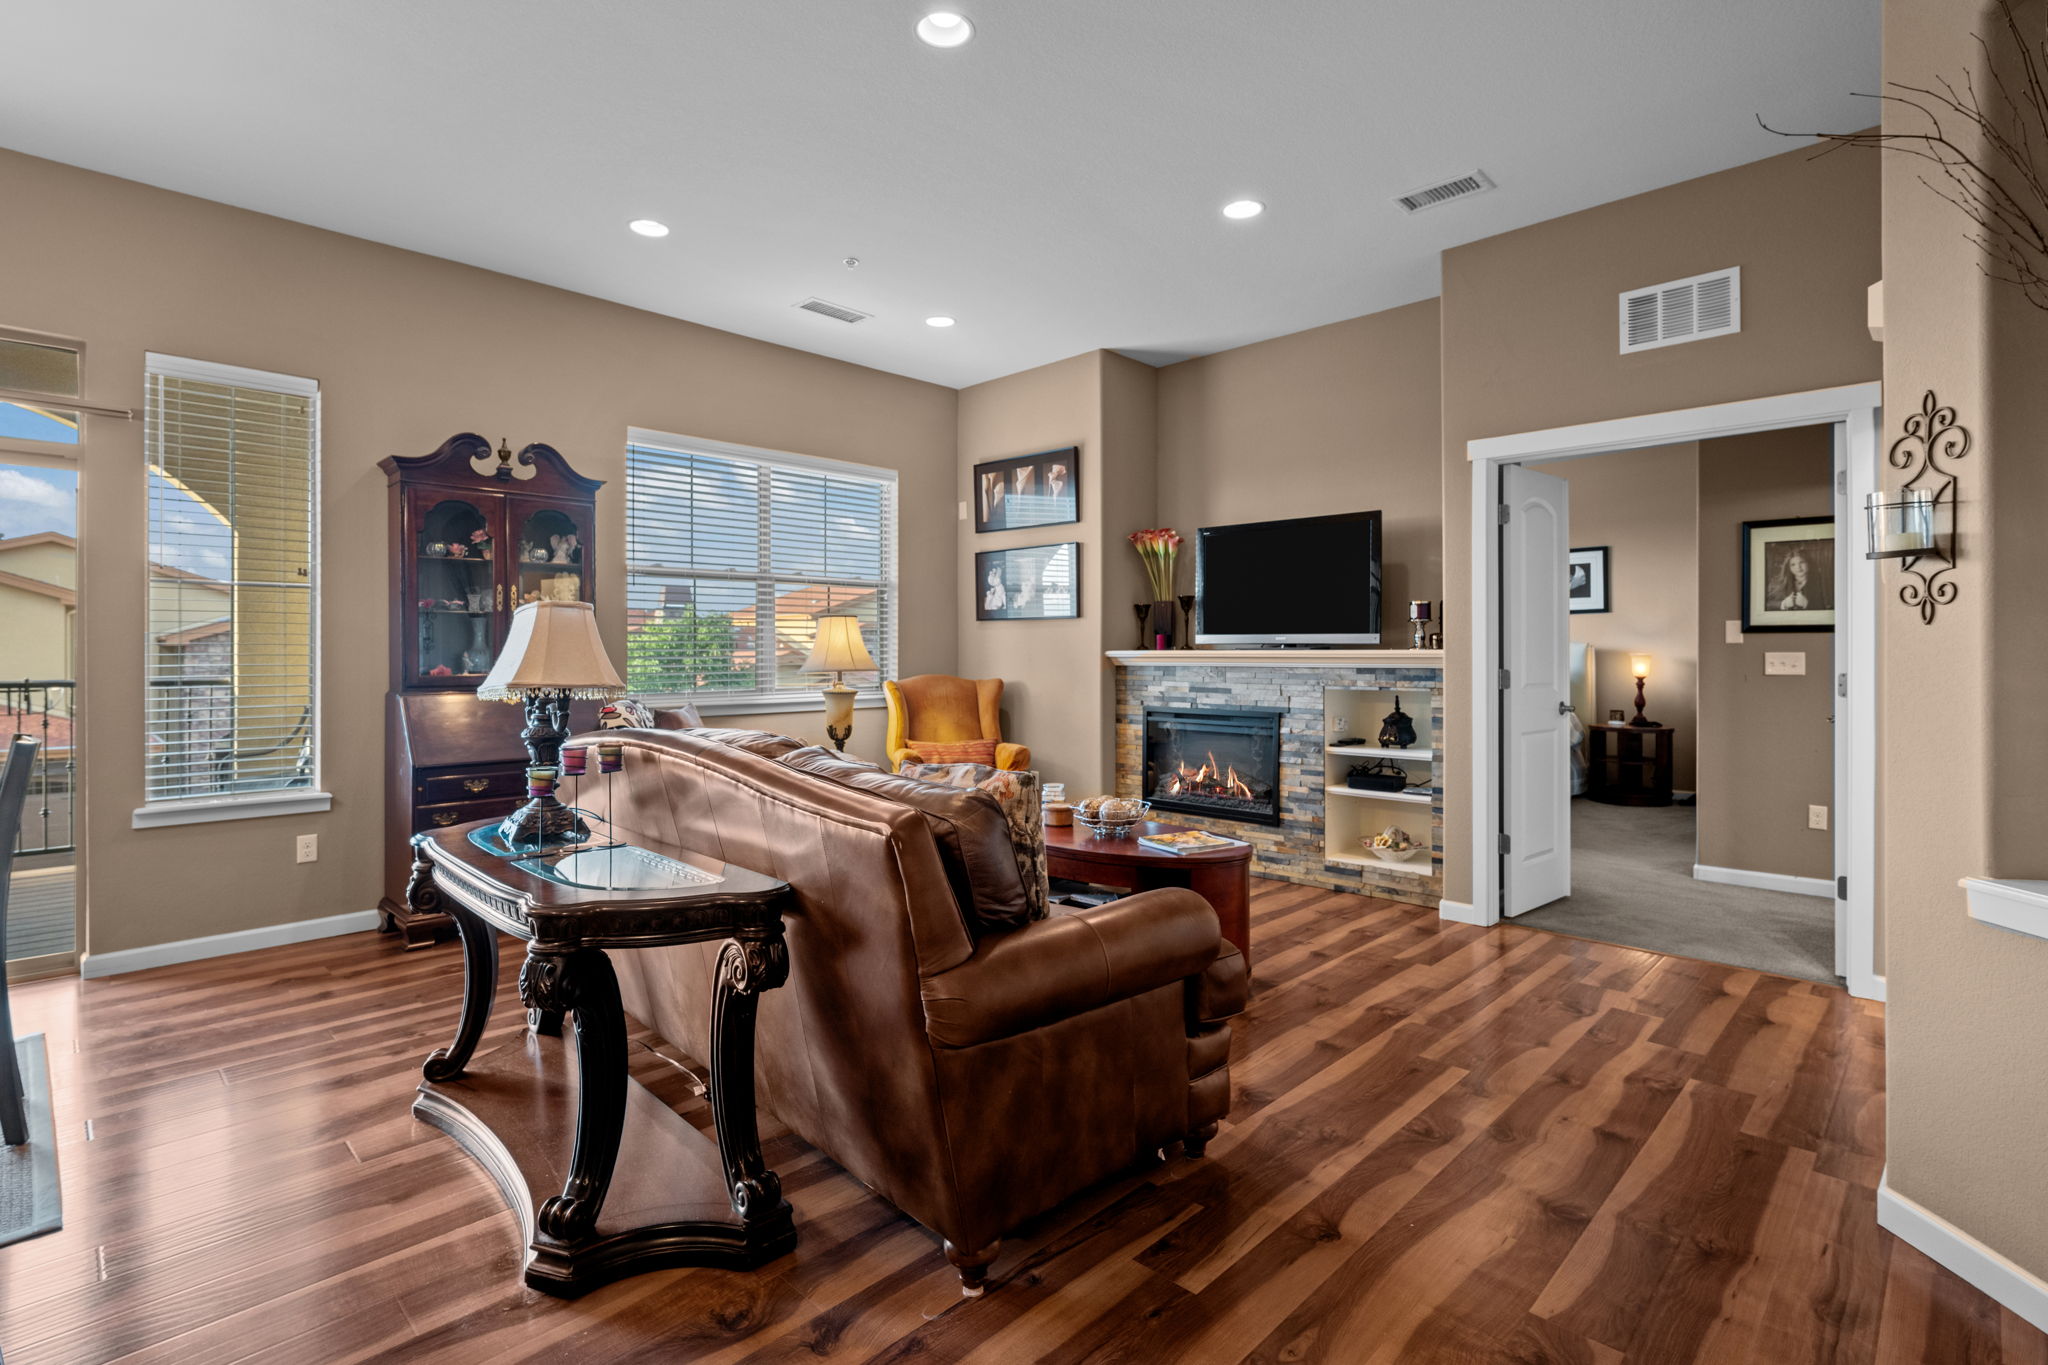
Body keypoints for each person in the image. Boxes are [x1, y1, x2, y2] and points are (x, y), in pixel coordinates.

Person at [1771, 545, 1813, 611]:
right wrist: (1783, 604)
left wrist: (1808, 605)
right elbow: (1768, 603)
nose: (1798, 567)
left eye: (1801, 562)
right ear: (1789, 568)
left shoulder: (1820, 584)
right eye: (1793, 564)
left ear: (1808, 563)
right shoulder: (1783, 583)